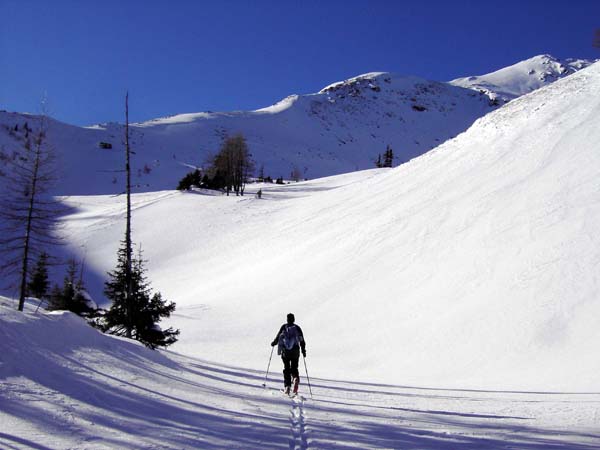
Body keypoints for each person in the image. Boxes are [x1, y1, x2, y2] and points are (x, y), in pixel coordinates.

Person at [271, 313, 306, 394]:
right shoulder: (297, 328)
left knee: (286, 368)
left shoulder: (284, 327)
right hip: (295, 351)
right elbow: (302, 340)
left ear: (287, 319)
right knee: (294, 367)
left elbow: (278, 337)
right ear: (294, 319)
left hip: (286, 352)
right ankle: (295, 378)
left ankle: (287, 386)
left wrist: (273, 343)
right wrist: (303, 350)